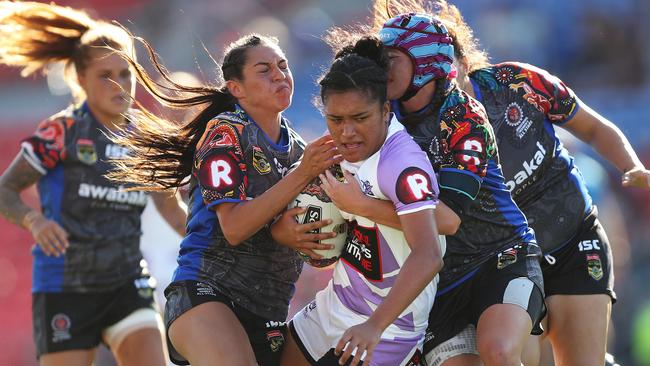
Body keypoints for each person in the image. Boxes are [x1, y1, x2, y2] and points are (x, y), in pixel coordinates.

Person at [370, 1, 650, 365]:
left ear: (457, 62)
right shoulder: (411, 131)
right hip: (498, 260)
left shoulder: (519, 83)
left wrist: (631, 167)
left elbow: (594, 128)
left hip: (571, 239)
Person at [324, 10, 547, 366]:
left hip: (500, 257)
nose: (382, 68)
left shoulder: (464, 117)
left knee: (500, 351)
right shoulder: (381, 112)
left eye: (391, 59)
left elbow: (447, 220)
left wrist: (362, 205)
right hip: (441, 280)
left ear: (427, 62)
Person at [106, 33, 341, 366]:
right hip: (208, 295)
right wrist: (302, 174)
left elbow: (300, 235)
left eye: (283, 65)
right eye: (264, 69)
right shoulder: (225, 132)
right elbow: (234, 227)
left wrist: (314, 240)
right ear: (236, 88)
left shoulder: (299, 149)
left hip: (269, 310)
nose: (279, 74)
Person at [0, 2, 188, 366]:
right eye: (106, 75)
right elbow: (5, 190)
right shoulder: (61, 132)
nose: (119, 85)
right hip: (65, 286)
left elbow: (171, 208)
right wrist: (34, 221)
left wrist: (211, 248)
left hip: (128, 282)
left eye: (126, 73)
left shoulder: (144, 139)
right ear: (81, 80)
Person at [276, 37, 445, 366]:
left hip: (389, 325)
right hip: (334, 304)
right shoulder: (332, 150)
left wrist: (374, 326)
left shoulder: (402, 165)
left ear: (384, 111)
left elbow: (429, 255)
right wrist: (284, 231)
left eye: (360, 118)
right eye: (336, 120)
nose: (347, 132)